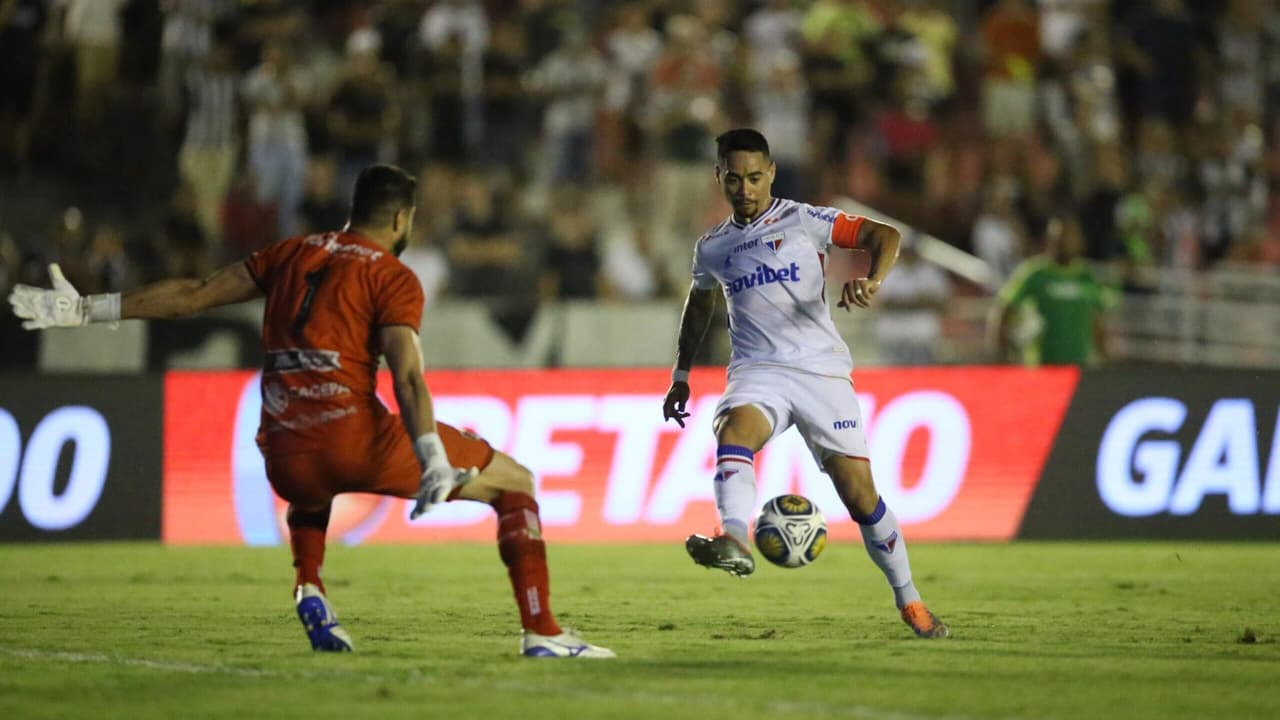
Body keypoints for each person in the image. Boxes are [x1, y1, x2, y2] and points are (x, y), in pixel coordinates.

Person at [8, 164, 613, 659]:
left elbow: (192, 296)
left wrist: (87, 309)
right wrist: (430, 452)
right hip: (353, 439)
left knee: (313, 482)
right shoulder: (394, 276)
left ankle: (309, 586)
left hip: (281, 450)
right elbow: (406, 375)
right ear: (401, 219)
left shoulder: (290, 253)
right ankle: (542, 631)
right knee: (515, 484)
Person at [661, 129, 948, 639]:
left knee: (861, 498)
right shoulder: (713, 247)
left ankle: (910, 601)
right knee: (732, 428)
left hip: (820, 371)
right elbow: (700, 304)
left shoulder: (803, 219)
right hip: (758, 372)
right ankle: (733, 538)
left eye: (754, 177)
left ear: (770, 172)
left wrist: (872, 279)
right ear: (719, 178)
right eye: (734, 178)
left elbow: (886, 236)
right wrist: (681, 374)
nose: (745, 188)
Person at [988, 213, 1110, 366]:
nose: (1065, 242)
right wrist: (1001, 352)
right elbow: (1005, 308)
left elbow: (1096, 319)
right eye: (1059, 238)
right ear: (1050, 240)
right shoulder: (1035, 273)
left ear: (1080, 240)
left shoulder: (1086, 276)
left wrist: (1104, 356)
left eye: (1070, 237)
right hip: (1042, 367)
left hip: (1079, 367)